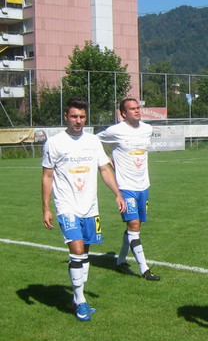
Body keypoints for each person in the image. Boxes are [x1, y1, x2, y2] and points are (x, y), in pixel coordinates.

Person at [42, 98, 126, 321]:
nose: (78, 121)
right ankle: (80, 301)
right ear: (66, 117)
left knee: (85, 253)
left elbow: (105, 170)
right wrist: (46, 208)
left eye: (81, 117)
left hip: (90, 206)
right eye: (73, 116)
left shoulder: (92, 141)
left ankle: (76, 299)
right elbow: (47, 176)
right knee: (77, 250)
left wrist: (117, 193)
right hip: (66, 205)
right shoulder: (55, 143)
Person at [96, 98, 160, 280]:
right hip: (125, 187)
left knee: (134, 226)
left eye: (138, 108)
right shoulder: (115, 131)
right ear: (123, 114)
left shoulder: (147, 129)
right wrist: (105, 158)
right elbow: (93, 141)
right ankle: (144, 270)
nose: (137, 111)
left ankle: (120, 262)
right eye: (132, 109)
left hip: (143, 186)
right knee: (134, 226)